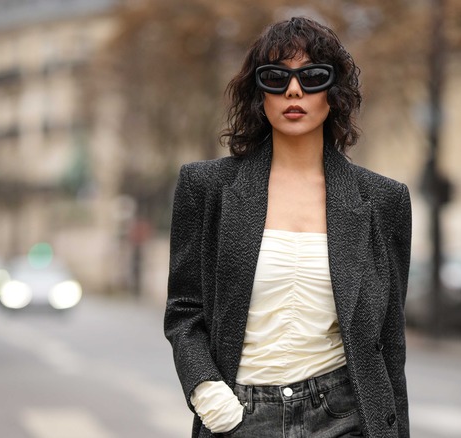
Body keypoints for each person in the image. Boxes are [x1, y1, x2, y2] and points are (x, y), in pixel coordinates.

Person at [165, 16, 412, 438]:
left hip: (344, 415)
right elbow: (184, 312)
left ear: (334, 93)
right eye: (276, 77)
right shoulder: (206, 187)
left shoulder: (383, 201)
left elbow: (387, 344)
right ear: (258, 93)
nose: (293, 90)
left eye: (312, 76)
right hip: (239, 415)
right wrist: (207, 391)